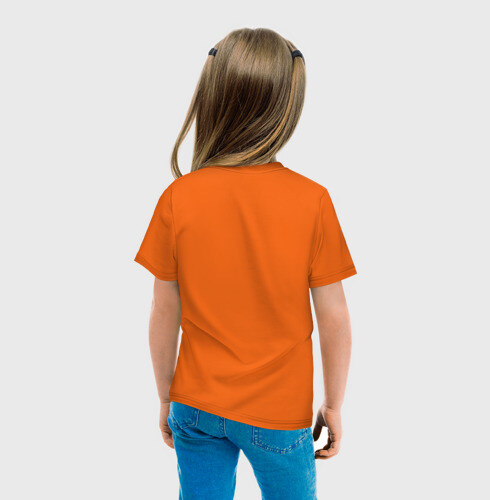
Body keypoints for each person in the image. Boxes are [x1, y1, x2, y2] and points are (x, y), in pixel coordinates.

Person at [135, 27, 356, 500]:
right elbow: (334, 316)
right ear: (287, 107)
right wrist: (334, 404)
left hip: (195, 403)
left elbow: (163, 311)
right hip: (278, 413)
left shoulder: (178, 197)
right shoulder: (312, 201)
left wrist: (165, 394)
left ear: (211, 97)